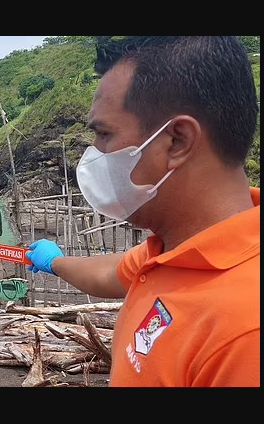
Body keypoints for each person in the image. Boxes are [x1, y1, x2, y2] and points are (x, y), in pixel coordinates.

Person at [25, 37, 260, 387]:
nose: (93, 153)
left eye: (104, 133)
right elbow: (112, 273)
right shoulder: (175, 252)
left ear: (177, 141)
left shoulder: (245, 334)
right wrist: (53, 262)